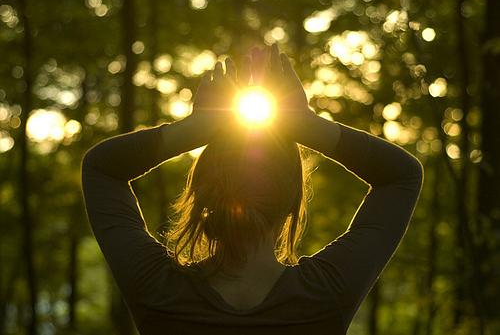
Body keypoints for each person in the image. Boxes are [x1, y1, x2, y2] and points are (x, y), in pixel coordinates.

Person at [81, 44, 423, 335]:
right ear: (292, 202)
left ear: (202, 195)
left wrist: (195, 128)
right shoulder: (326, 293)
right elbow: (401, 175)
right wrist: (306, 124)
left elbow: (102, 168)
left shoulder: (158, 289)